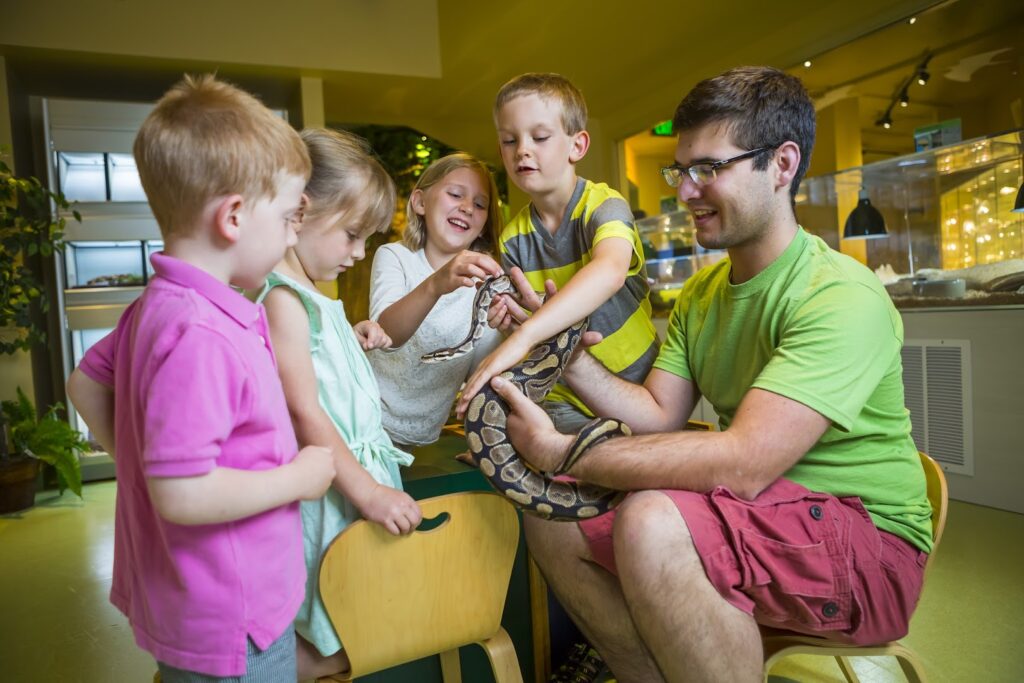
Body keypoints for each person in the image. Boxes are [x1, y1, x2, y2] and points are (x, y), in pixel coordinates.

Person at [486, 66, 935, 683]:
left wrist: (567, 451)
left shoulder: (839, 295)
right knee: (553, 519)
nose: (687, 191)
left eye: (709, 169)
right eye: (681, 171)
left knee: (651, 522)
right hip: (757, 514)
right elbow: (657, 417)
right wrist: (567, 353)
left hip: (864, 548)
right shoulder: (702, 295)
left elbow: (744, 463)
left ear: (781, 165)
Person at [64, 74, 337, 682]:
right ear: (234, 216)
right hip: (231, 616)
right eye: (288, 217)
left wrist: (140, 464)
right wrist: (298, 477)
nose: (293, 234)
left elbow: (84, 383)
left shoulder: (159, 306)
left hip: (197, 599)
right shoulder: (202, 333)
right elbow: (183, 494)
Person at [258, 128, 423, 680]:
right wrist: (369, 492)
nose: (358, 253)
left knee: (365, 624)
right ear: (301, 211)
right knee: (350, 635)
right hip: (335, 490)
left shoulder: (309, 296)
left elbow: (314, 368)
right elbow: (304, 411)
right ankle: (262, 670)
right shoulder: (283, 299)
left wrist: (347, 339)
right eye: (352, 235)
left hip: (351, 479)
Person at [457, 72, 659, 432]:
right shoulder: (512, 239)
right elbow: (529, 322)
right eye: (509, 140)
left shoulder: (604, 206)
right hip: (563, 394)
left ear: (577, 146)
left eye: (540, 137)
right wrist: (511, 322)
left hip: (640, 385)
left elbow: (610, 271)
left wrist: (526, 334)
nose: (522, 150)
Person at [368, 153, 504, 447]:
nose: (467, 207)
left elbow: (480, 376)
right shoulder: (396, 257)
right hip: (364, 421)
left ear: (484, 224)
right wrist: (436, 284)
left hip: (424, 440)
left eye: (480, 204)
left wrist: (510, 330)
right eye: (455, 194)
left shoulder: (488, 285)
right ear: (420, 202)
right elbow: (386, 335)